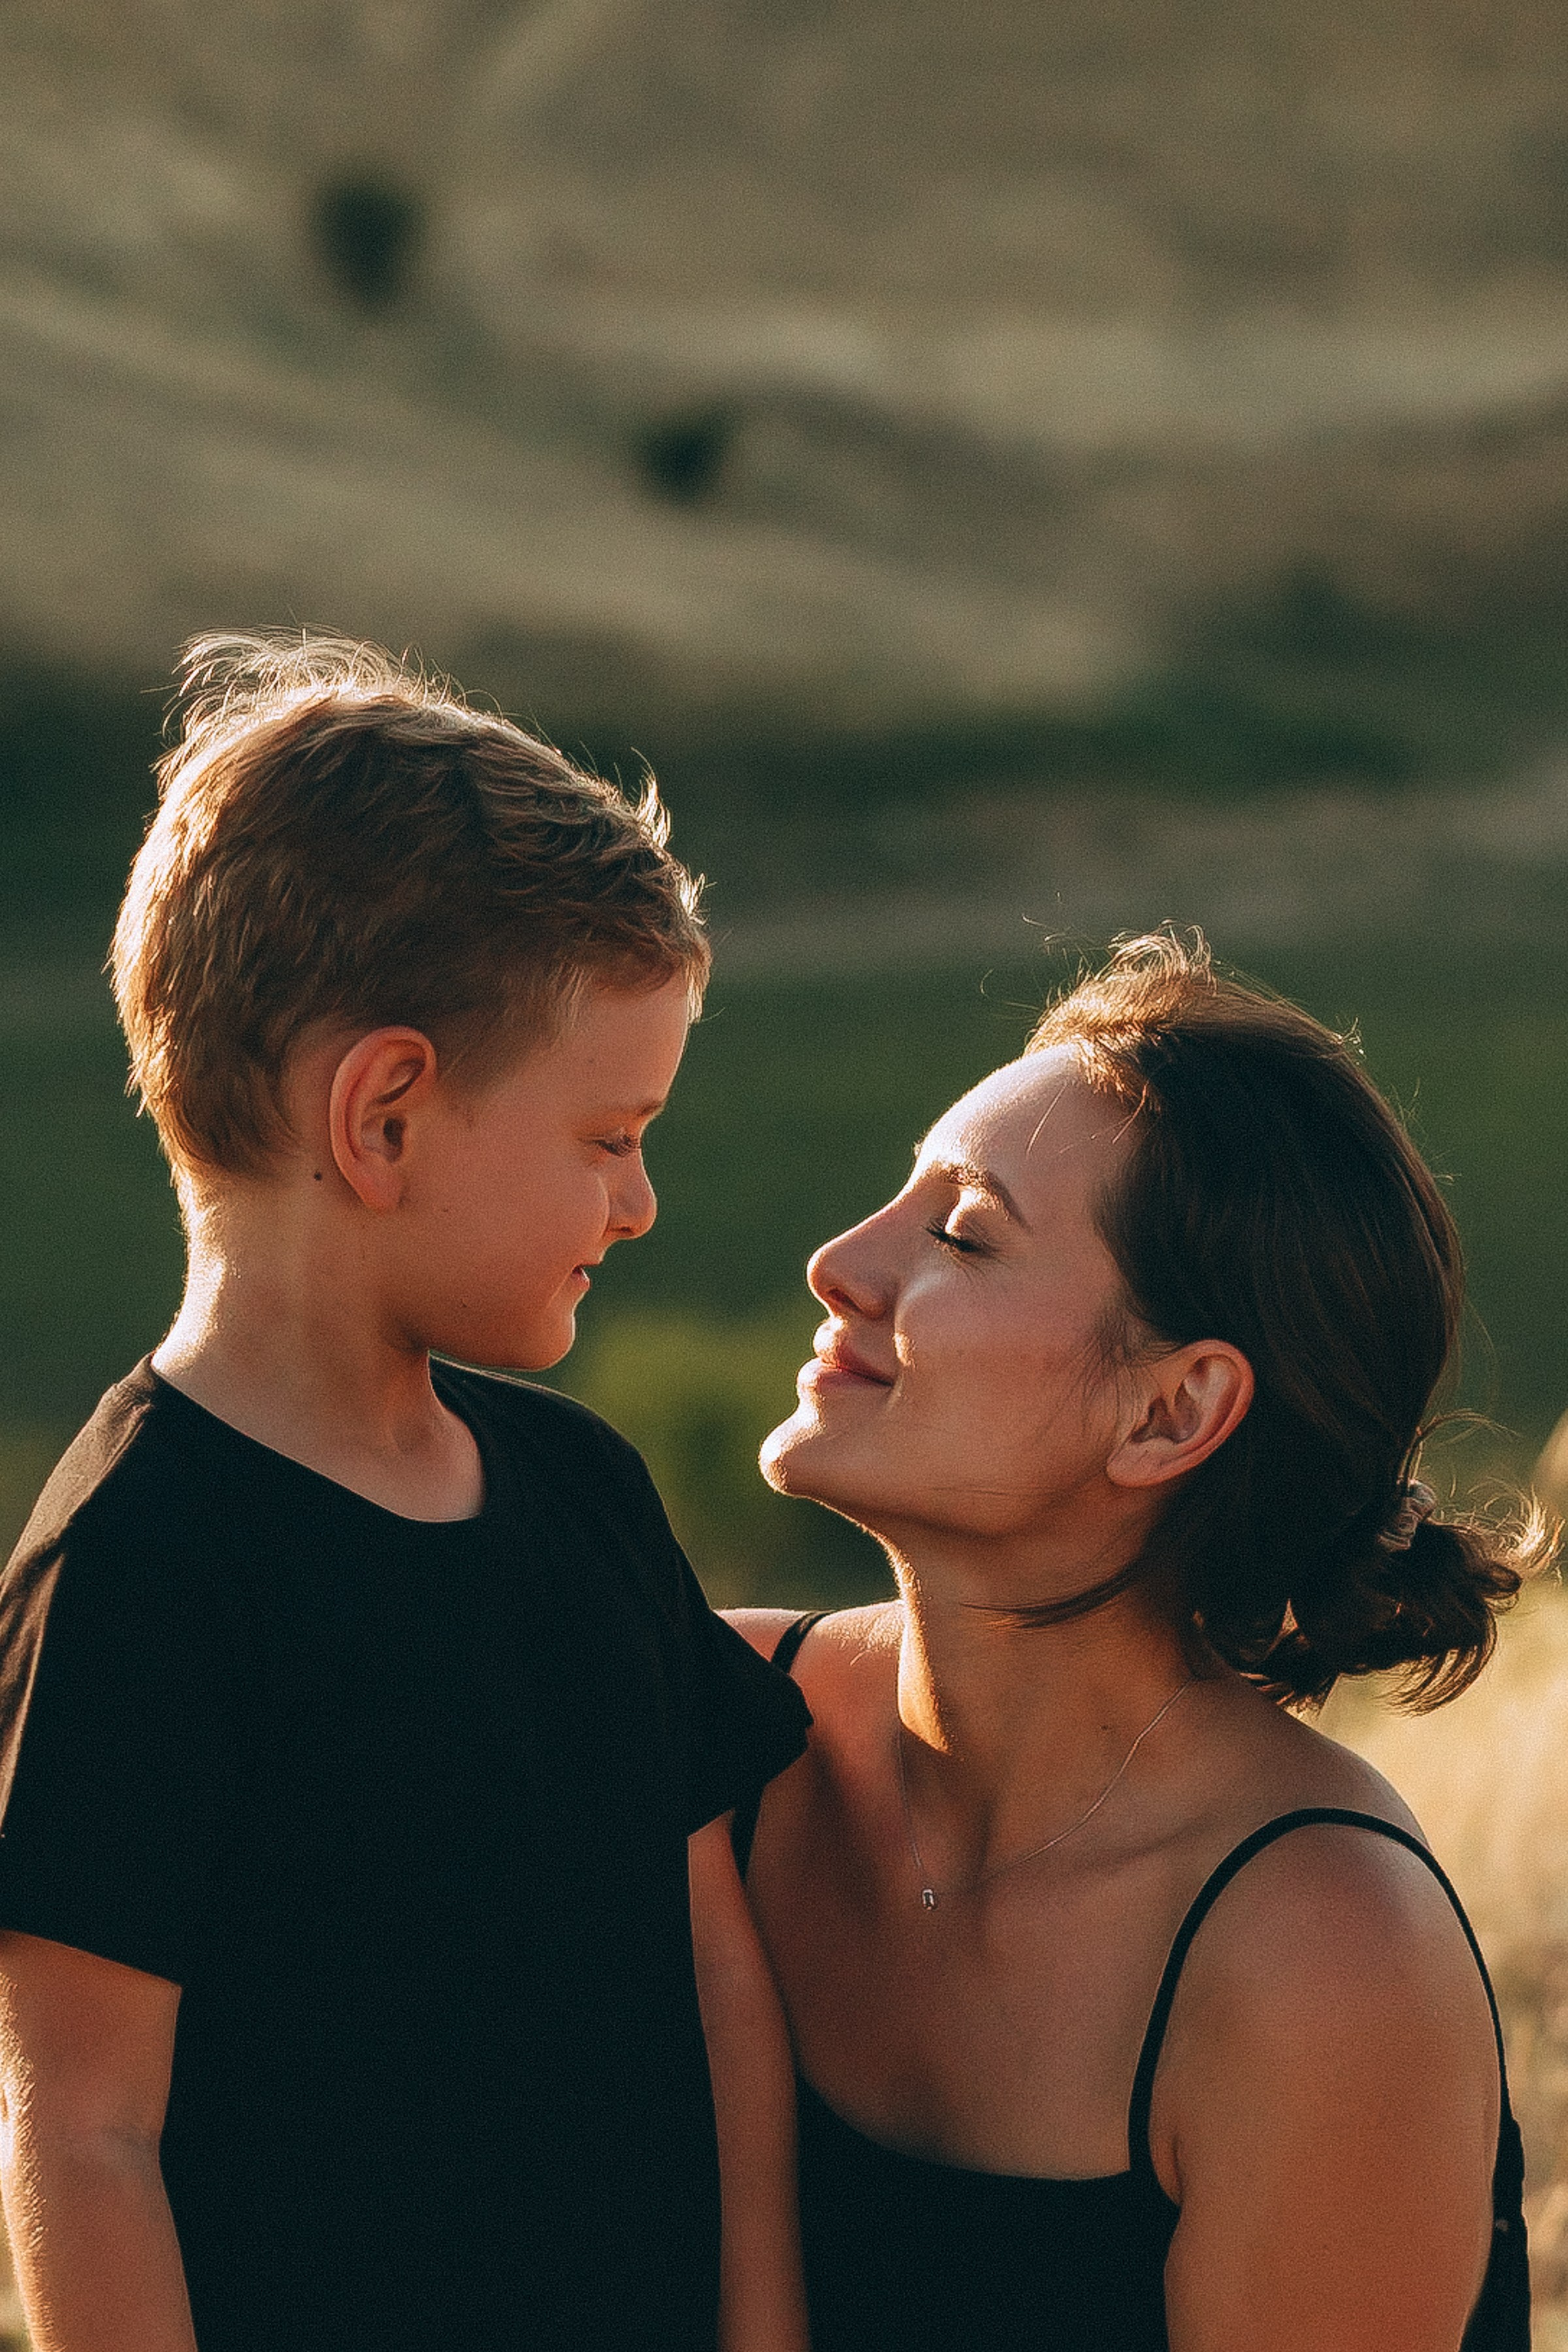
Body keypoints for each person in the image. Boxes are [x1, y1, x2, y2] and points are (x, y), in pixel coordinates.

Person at [0, 635, 811, 2352]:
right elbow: (83, 2131)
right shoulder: (134, 1572)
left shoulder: (585, 1495)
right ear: (384, 1116)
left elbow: (719, 1988)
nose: (646, 1200)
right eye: (609, 1137)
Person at [729, 932, 1543, 2352]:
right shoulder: (712, 1728)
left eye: (964, 1236)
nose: (840, 1263)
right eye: (897, 1196)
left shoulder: (1319, 1956)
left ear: (1171, 1413)